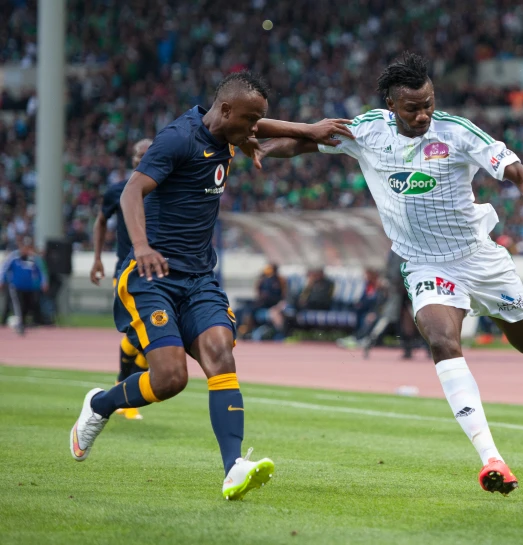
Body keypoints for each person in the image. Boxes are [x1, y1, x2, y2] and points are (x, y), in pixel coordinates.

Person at [253, 53, 523, 495]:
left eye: (428, 104)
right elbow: (306, 142)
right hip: (424, 263)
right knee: (442, 341)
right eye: (412, 108)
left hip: (480, 258)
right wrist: (265, 147)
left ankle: (495, 314)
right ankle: (491, 459)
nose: (423, 114)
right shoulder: (367, 130)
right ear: (390, 103)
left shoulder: (456, 132)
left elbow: (518, 172)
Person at [69, 70, 354, 501]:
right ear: (225, 110)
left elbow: (276, 136)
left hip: (200, 277)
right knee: (169, 380)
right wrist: (142, 246)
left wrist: (313, 134)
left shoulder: (230, 131)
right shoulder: (176, 140)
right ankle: (100, 405)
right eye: (250, 120)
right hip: (153, 277)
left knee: (220, 353)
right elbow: (131, 192)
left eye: (259, 120)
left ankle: (233, 467)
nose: (255, 129)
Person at [90, 139, 153, 420]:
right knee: (137, 334)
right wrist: (97, 258)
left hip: (158, 272)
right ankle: (123, 387)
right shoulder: (119, 190)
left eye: (148, 155)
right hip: (126, 271)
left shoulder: (166, 188)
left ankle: (123, 387)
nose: (143, 159)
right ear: (132, 159)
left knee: (151, 338)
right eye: (140, 155)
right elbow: (101, 221)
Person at [0, 236, 48, 335]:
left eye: (28, 247)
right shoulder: (13, 257)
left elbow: (42, 271)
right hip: (16, 287)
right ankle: (20, 324)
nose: (26, 249)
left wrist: (44, 282)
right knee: (19, 306)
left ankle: (26, 323)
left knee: (28, 306)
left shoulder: (34, 258)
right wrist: (1, 281)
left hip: (30, 287)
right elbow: (4, 269)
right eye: (24, 246)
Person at [237, 263, 286, 339]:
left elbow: (282, 297)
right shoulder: (263, 281)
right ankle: (246, 329)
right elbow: (259, 295)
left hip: (274, 306)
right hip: (263, 305)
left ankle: (281, 335)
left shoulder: (280, 281)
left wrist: (277, 307)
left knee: (275, 315)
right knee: (248, 310)